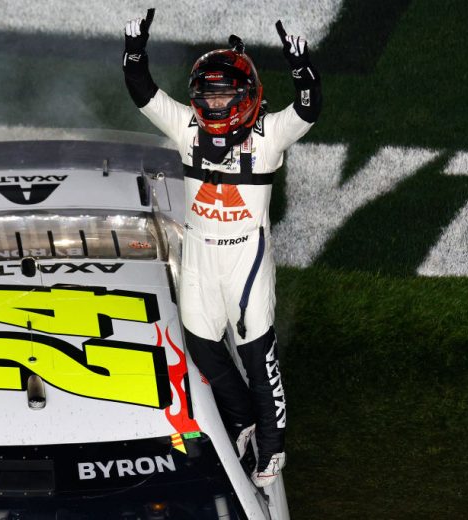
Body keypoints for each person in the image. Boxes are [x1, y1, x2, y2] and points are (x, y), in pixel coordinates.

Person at [123, 9, 322, 487]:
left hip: (244, 260)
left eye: (223, 94)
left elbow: (308, 108)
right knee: (202, 347)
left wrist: (302, 66)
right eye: (207, 94)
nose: (213, 103)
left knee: (258, 356)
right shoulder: (187, 129)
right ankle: (243, 423)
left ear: (247, 96)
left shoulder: (269, 136)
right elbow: (142, 90)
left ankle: (272, 449)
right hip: (198, 259)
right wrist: (133, 47)